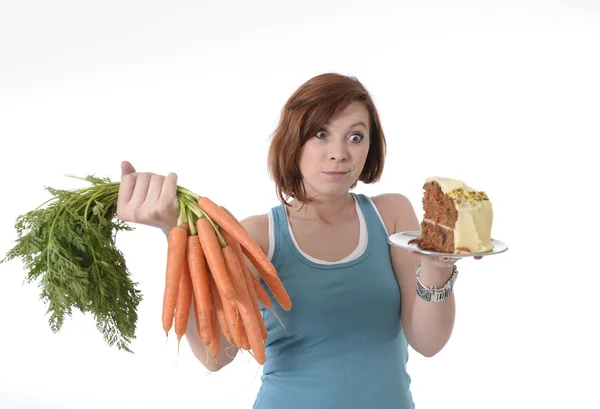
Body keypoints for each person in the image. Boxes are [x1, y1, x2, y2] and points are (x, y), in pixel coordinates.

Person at [116, 73, 483, 409]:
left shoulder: (392, 217)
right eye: (320, 134)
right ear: (294, 141)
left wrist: (436, 265)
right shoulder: (256, 235)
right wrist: (174, 233)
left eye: (355, 136)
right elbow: (217, 356)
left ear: (370, 147)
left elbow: (429, 343)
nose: (339, 152)